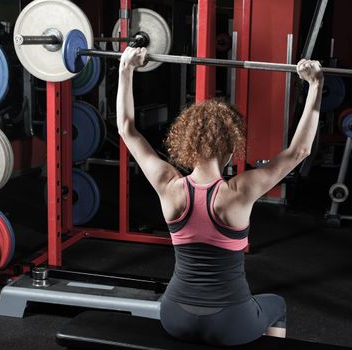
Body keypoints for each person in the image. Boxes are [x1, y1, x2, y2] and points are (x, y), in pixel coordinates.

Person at [116, 47, 323, 346]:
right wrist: (316, 84)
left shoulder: (168, 185)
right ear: (230, 150)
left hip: (175, 316)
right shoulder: (240, 192)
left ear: (186, 146)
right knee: (276, 304)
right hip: (231, 322)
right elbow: (299, 151)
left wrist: (126, 68)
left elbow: (126, 129)